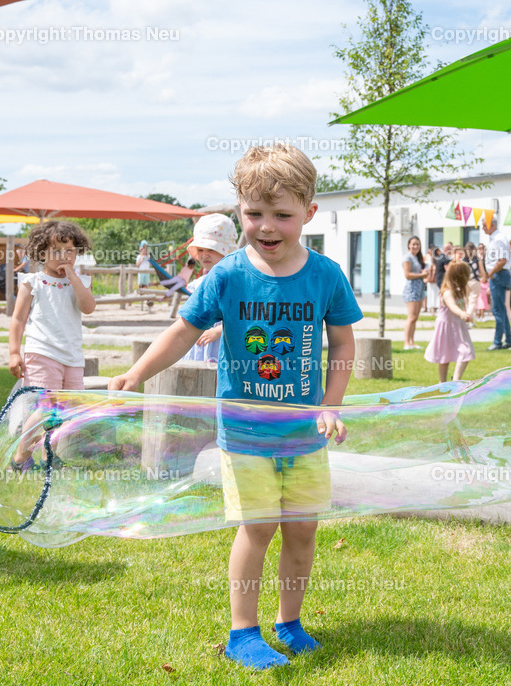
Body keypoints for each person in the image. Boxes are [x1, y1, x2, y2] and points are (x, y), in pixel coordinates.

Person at [109, 144, 361, 670]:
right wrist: (138, 373)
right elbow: (184, 331)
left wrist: (331, 406)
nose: (266, 227)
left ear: (309, 214)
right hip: (246, 431)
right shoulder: (226, 276)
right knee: (258, 528)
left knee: (302, 529)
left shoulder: (326, 276)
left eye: (282, 215)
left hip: (304, 431)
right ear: (239, 212)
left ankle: (288, 623)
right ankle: (242, 631)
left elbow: (342, 345)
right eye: (254, 214)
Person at [8, 220, 96, 391]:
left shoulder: (82, 282)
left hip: (73, 357)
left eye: (69, 251)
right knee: (45, 407)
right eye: (56, 251)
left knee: (71, 408)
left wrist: (73, 277)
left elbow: (88, 308)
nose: (64, 256)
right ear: (42, 254)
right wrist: (14, 353)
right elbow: (18, 319)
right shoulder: (32, 282)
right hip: (42, 353)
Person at [181, 214, 239, 363]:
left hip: (222, 342)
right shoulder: (198, 284)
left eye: (211, 249)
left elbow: (240, 315)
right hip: (199, 341)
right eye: (200, 250)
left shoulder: (234, 281)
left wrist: (218, 331)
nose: (205, 255)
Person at [425, 260, 474, 382]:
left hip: (457, 326)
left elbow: (461, 304)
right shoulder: (447, 292)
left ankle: (455, 380)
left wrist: (465, 313)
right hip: (446, 327)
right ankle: (443, 383)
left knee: (465, 351)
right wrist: (462, 313)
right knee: (444, 356)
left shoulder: (458, 290)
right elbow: (452, 306)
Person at [480, 219, 511, 350]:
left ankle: (498, 341)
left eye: (484, 225)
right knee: (501, 309)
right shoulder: (497, 238)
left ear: (492, 225)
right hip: (499, 274)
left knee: (498, 310)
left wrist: (490, 274)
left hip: (498, 275)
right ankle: (509, 340)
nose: (483, 228)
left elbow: (502, 260)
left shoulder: (498, 239)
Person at [401, 236, 426, 350]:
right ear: (409, 245)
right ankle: (406, 343)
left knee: (415, 317)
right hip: (411, 290)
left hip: (419, 289)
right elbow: (407, 274)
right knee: (411, 317)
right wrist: (422, 275)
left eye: (418, 244)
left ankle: (412, 342)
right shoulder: (407, 258)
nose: (416, 246)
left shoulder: (417, 258)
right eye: (414, 244)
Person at [475, 243, 489, 321]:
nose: (481, 250)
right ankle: (480, 315)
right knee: (480, 298)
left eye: (482, 248)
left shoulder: (487, 258)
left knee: (484, 298)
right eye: (479, 248)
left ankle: (481, 315)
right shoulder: (476, 259)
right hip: (479, 279)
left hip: (486, 279)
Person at [424, 246, 440, 314]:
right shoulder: (439, 259)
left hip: (430, 279)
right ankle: (435, 307)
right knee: (436, 293)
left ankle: (431, 307)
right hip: (436, 279)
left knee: (430, 293)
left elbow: (426, 269)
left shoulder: (429, 260)